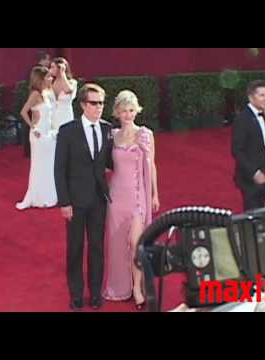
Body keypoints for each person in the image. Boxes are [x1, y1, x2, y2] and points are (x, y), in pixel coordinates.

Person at [54, 83, 114, 311]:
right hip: (75, 202)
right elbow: (59, 169)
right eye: (94, 103)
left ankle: (96, 293)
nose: (99, 108)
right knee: (75, 248)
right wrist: (64, 202)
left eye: (101, 103)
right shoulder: (68, 131)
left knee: (97, 248)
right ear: (83, 105)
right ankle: (76, 294)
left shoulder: (108, 129)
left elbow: (110, 161)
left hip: (99, 199)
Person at [102, 90, 160, 310]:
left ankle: (137, 287)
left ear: (137, 111)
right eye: (124, 110)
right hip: (116, 196)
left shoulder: (145, 134)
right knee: (117, 244)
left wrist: (154, 193)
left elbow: (152, 165)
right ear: (117, 112)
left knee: (136, 243)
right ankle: (120, 287)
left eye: (132, 110)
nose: (128, 114)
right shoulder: (112, 135)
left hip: (138, 197)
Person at [16, 67, 59, 210]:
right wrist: (33, 127)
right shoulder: (35, 94)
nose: (51, 79)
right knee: (39, 166)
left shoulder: (46, 93)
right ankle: (37, 197)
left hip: (48, 134)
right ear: (40, 79)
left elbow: (49, 115)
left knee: (49, 165)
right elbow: (23, 112)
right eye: (48, 77)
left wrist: (53, 129)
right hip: (38, 135)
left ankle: (49, 196)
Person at [232, 80, 265, 211]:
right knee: (252, 215)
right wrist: (255, 172)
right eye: (261, 95)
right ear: (250, 97)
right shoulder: (242, 119)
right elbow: (237, 150)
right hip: (249, 178)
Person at [46, 57, 77, 128]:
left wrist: (62, 73)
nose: (50, 69)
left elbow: (68, 90)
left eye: (53, 67)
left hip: (65, 117)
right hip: (51, 117)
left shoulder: (72, 82)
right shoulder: (50, 82)